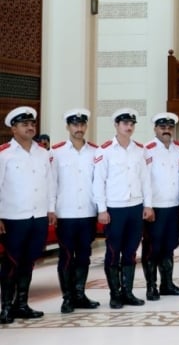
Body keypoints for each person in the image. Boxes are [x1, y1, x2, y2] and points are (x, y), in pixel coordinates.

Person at [93, 107, 153, 309]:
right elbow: (98, 182)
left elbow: (145, 179)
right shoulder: (105, 150)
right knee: (113, 251)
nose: (129, 127)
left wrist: (148, 205)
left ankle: (127, 292)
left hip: (135, 206)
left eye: (132, 123)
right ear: (116, 125)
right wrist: (101, 209)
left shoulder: (140, 149)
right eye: (125, 123)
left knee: (130, 251)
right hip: (115, 208)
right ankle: (115, 294)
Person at [0, 107, 55, 323]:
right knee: (11, 262)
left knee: (29, 262)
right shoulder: (4, 154)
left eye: (32, 123)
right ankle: (5, 307)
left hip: (38, 216)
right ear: (14, 129)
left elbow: (49, 183)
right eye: (25, 124)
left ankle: (21, 304)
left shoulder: (43, 153)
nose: (30, 127)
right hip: (13, 217)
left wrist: (50, 209)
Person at [51, 108, 101, 313]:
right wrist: (50, 209)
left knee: (83, 255)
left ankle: (80, 294)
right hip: (66, 213)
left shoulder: (96, 152)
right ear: (68, 127)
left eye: (82, 125)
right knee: (66, 256)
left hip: (88, 212)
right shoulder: (56, 152)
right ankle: (67, 297)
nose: (79, 128)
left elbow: (98, 182)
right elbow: (51, 183)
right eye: (75, 125)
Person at [140, 112, 179, 302]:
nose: (166, 130)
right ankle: (151, 287)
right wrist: (148, 206)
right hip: (155, 207)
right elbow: (144, 180)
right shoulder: (148, 150)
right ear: (155, 129)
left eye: (169, 127)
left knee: (169, 246)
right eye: (162, 127)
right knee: (152, 247)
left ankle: (167, 284)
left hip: (172, 205)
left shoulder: (178, 149)